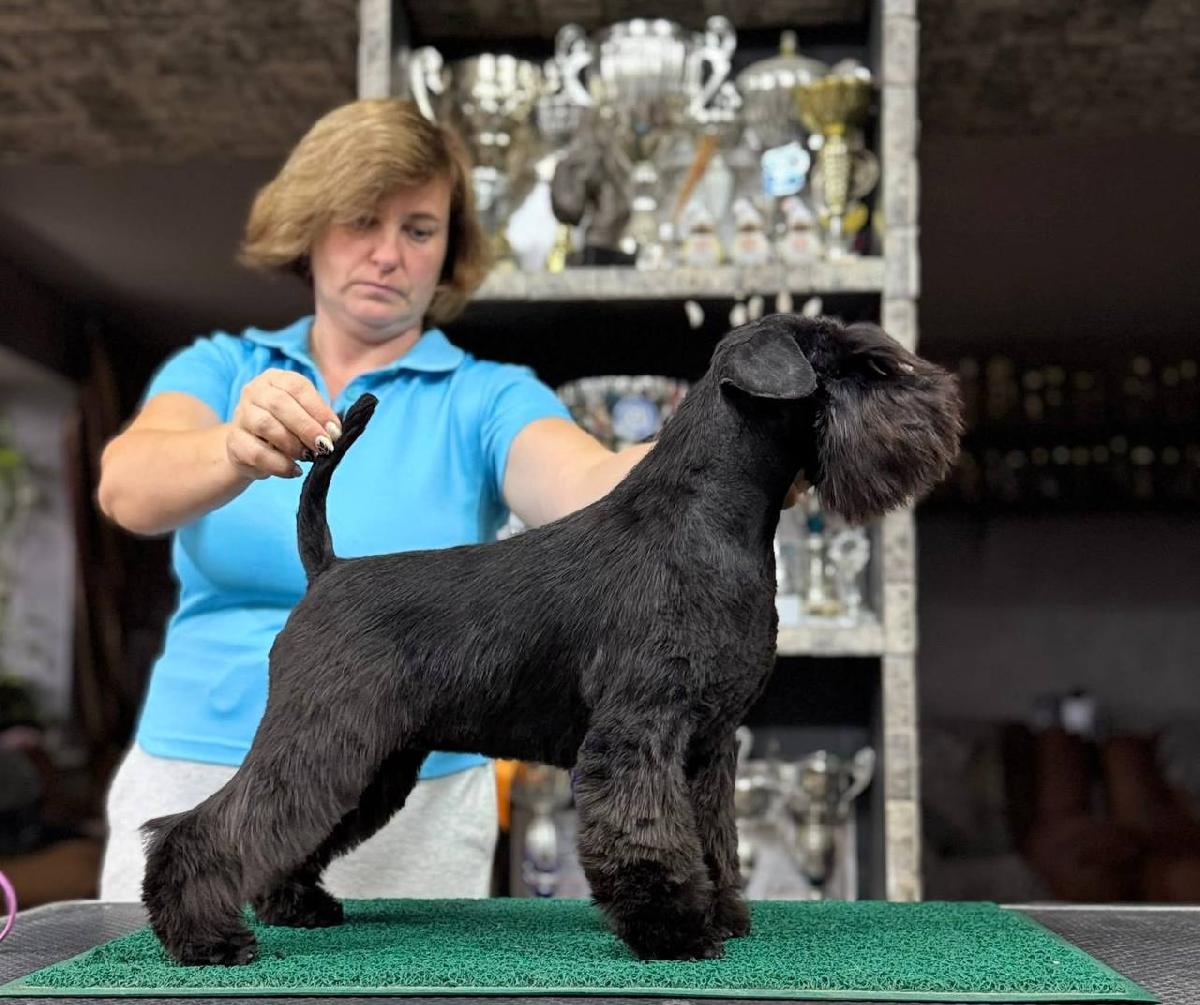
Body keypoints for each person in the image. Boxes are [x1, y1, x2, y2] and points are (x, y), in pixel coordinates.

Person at [94, 98, 664, 902]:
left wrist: (716, 453)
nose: (389, 254)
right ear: (310, 226)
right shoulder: (223, 367)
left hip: (409, 806)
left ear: (448, 250)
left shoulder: (489, 396)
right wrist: (231, 446)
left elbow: (586, 486)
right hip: (198, 769)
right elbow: (126, 489)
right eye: (362, 220)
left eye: (419, 230)